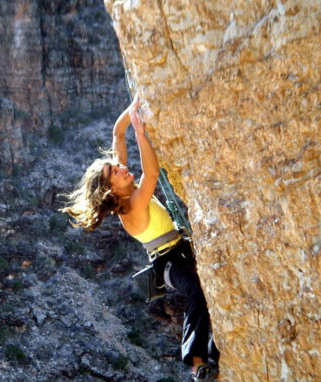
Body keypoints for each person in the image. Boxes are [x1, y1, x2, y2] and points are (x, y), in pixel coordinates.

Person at [60, 95, 220, 381]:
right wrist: (141, 133)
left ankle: (212, 353)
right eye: (116, 172)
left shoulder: (124, 186)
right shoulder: (131, 206)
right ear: (112, 189)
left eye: (117, 166)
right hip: (168, 262)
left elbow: (116, 133)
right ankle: (197, 364)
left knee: (210, 292)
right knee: (196, 291)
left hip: (179, 250)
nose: (122, 168)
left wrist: (135, 105)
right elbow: (152, 172)